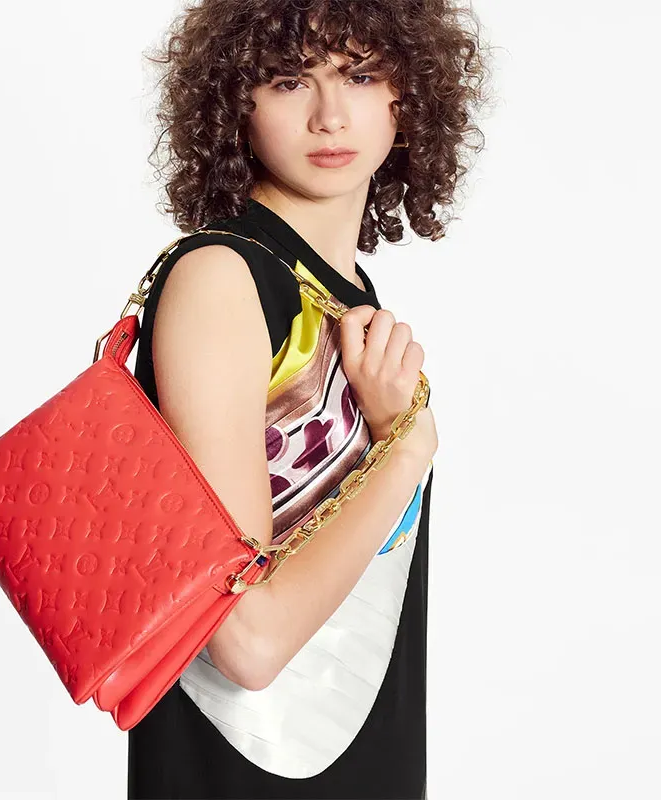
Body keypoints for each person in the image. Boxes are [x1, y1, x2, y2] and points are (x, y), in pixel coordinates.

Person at [128, 2, 490, 797]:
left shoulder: (344, 295)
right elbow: (246, 642)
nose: (330, 116)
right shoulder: (224, 279)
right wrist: (406, 448)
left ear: (409, 95)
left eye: (360, 75)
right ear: (235, 99)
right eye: (289, 80)